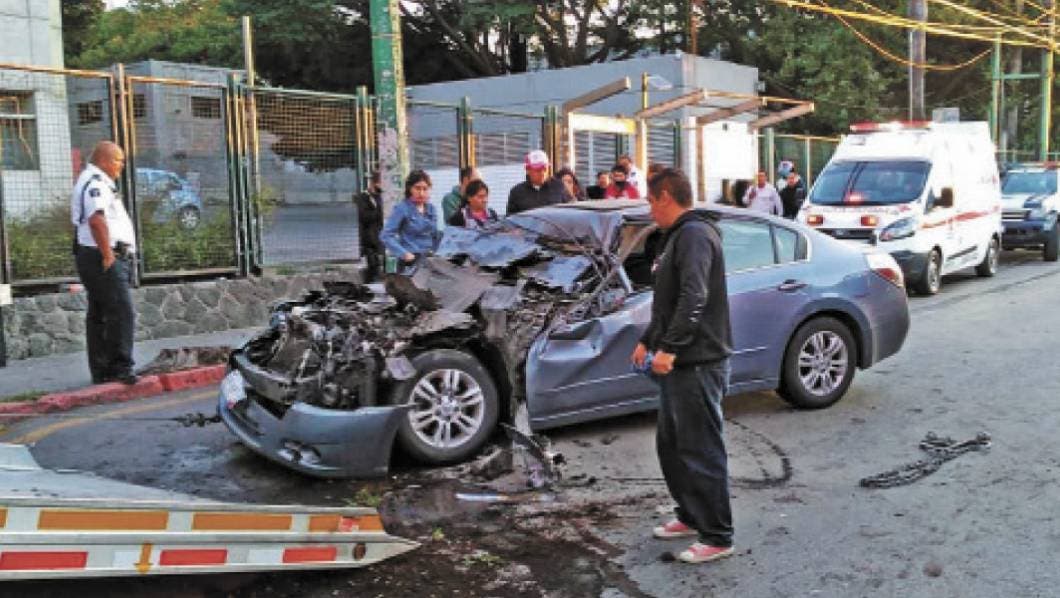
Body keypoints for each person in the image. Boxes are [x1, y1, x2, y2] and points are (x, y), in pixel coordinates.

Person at [631, 167, 734, 565]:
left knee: (701, 448)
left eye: (650, 200)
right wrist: (647, 341)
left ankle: (718, 535)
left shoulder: (695, 236)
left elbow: (694, 297)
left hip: (699, 361)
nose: (649, 208)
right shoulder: (676, 238)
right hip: (680, 362)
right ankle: (691, 515)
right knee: (672, 446)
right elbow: (668, 301)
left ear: (666, 197)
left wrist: (670, 348)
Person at [71, 141, 139, 385]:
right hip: (102, 256)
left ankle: (102, 370)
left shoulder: (94, 180)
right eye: (119, 160)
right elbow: (96, 220)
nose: (122, 165)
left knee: (100, 313)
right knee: (122, 311)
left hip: (96, 255)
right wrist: (108, 255)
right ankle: (121, 367)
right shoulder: (96, 184)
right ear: (105, 160)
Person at [381, 170, 440, 275]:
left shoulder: (431, 209)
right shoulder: (402, 208)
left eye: (425, 189)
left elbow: (435, 236)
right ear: (410, 189)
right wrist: (404, 253)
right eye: (417, 188)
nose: (421, 193)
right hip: (410, 263)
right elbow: (386, 236)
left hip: (429, 262)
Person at [506, 150, 567, 215]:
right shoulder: (516, 192)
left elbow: (570, 211)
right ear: (528, 170)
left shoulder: (559, 187)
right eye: (538, 170)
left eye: (545, 169)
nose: (542, 173)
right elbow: (510, 220)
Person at [353, 171, 385, 282]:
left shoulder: (380, 197)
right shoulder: (364, 197)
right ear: (374, 183)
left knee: (382, 266)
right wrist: (377, 209)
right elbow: (364, 217)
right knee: (373, 268)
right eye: (380, 183)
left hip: (381, 238)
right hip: (370, 239)